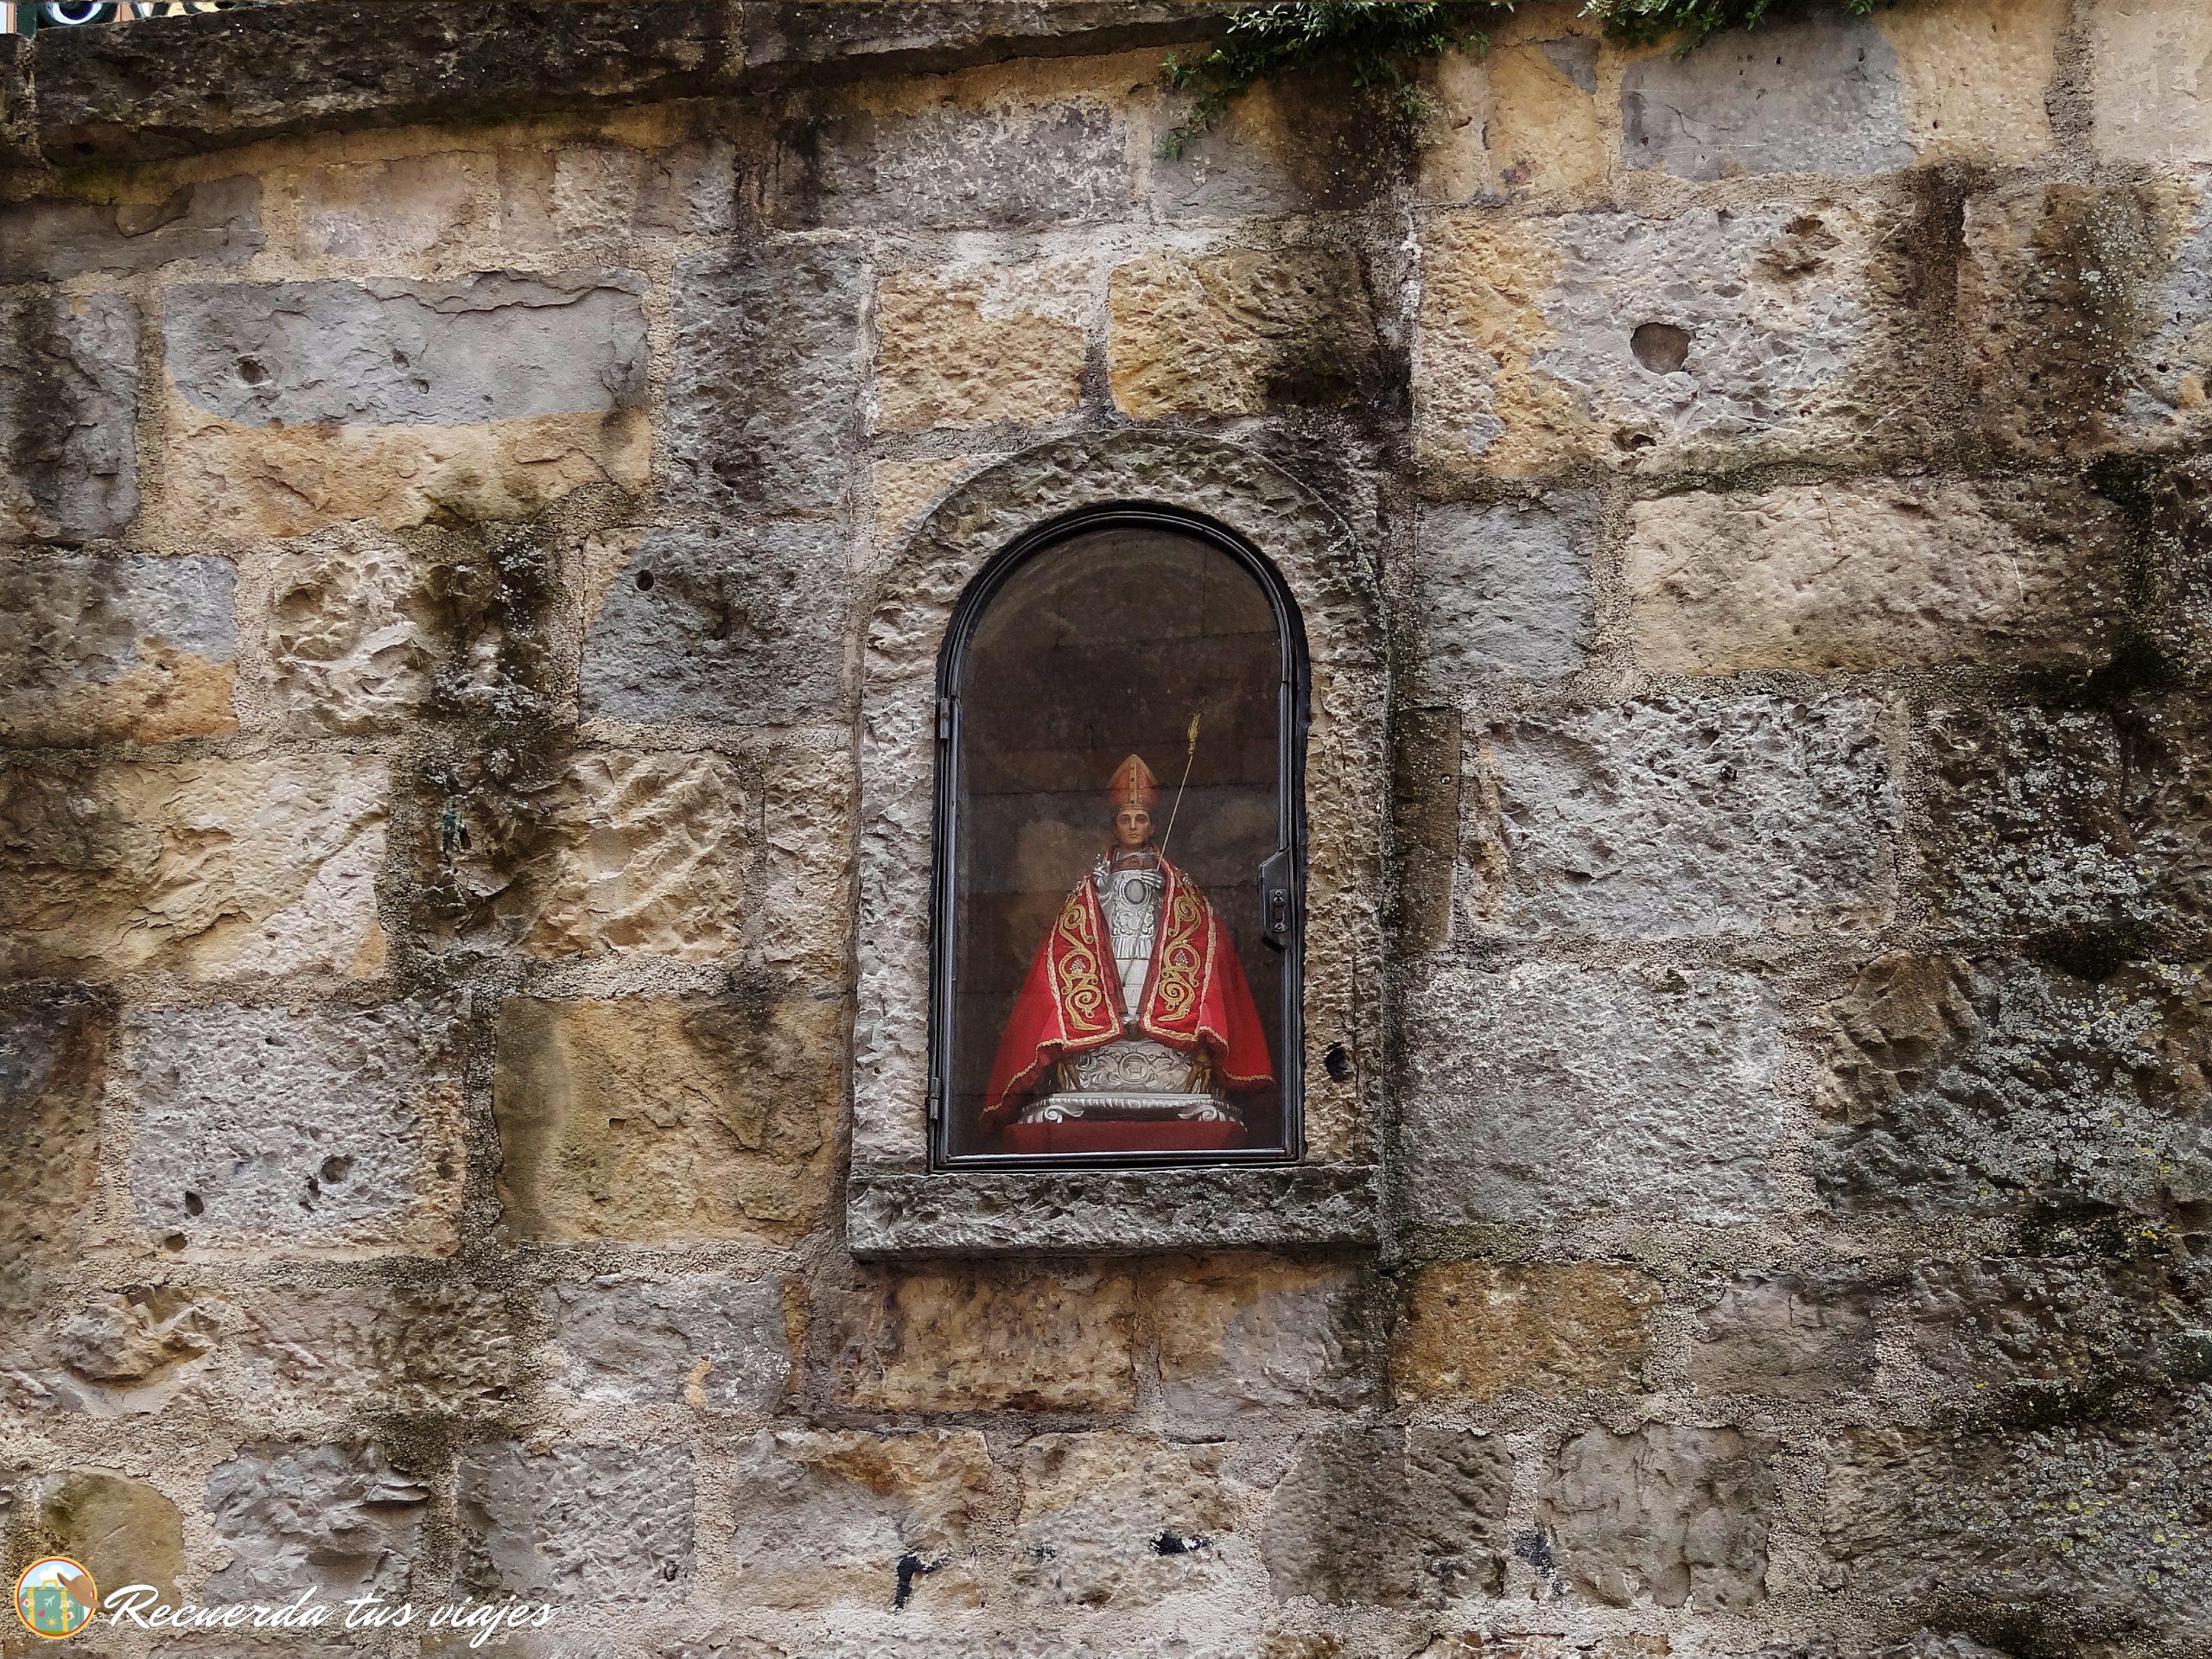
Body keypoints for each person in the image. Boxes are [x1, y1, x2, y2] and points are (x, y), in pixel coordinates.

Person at [982, 753, 1274, 1154]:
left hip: (1153, 948)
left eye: (1140, 819)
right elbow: (1070, 939)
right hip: (1113, 949)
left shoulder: (1177, 887)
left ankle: (1161, 1035)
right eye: (1125, 819)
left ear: (1153, 825)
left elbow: (1200, 939)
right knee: (1106, 980)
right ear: (1114, 826)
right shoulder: (1093, 884)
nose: (1133, 826)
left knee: (1157, 979)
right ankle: (1101, 1035)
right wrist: (1101, 895)